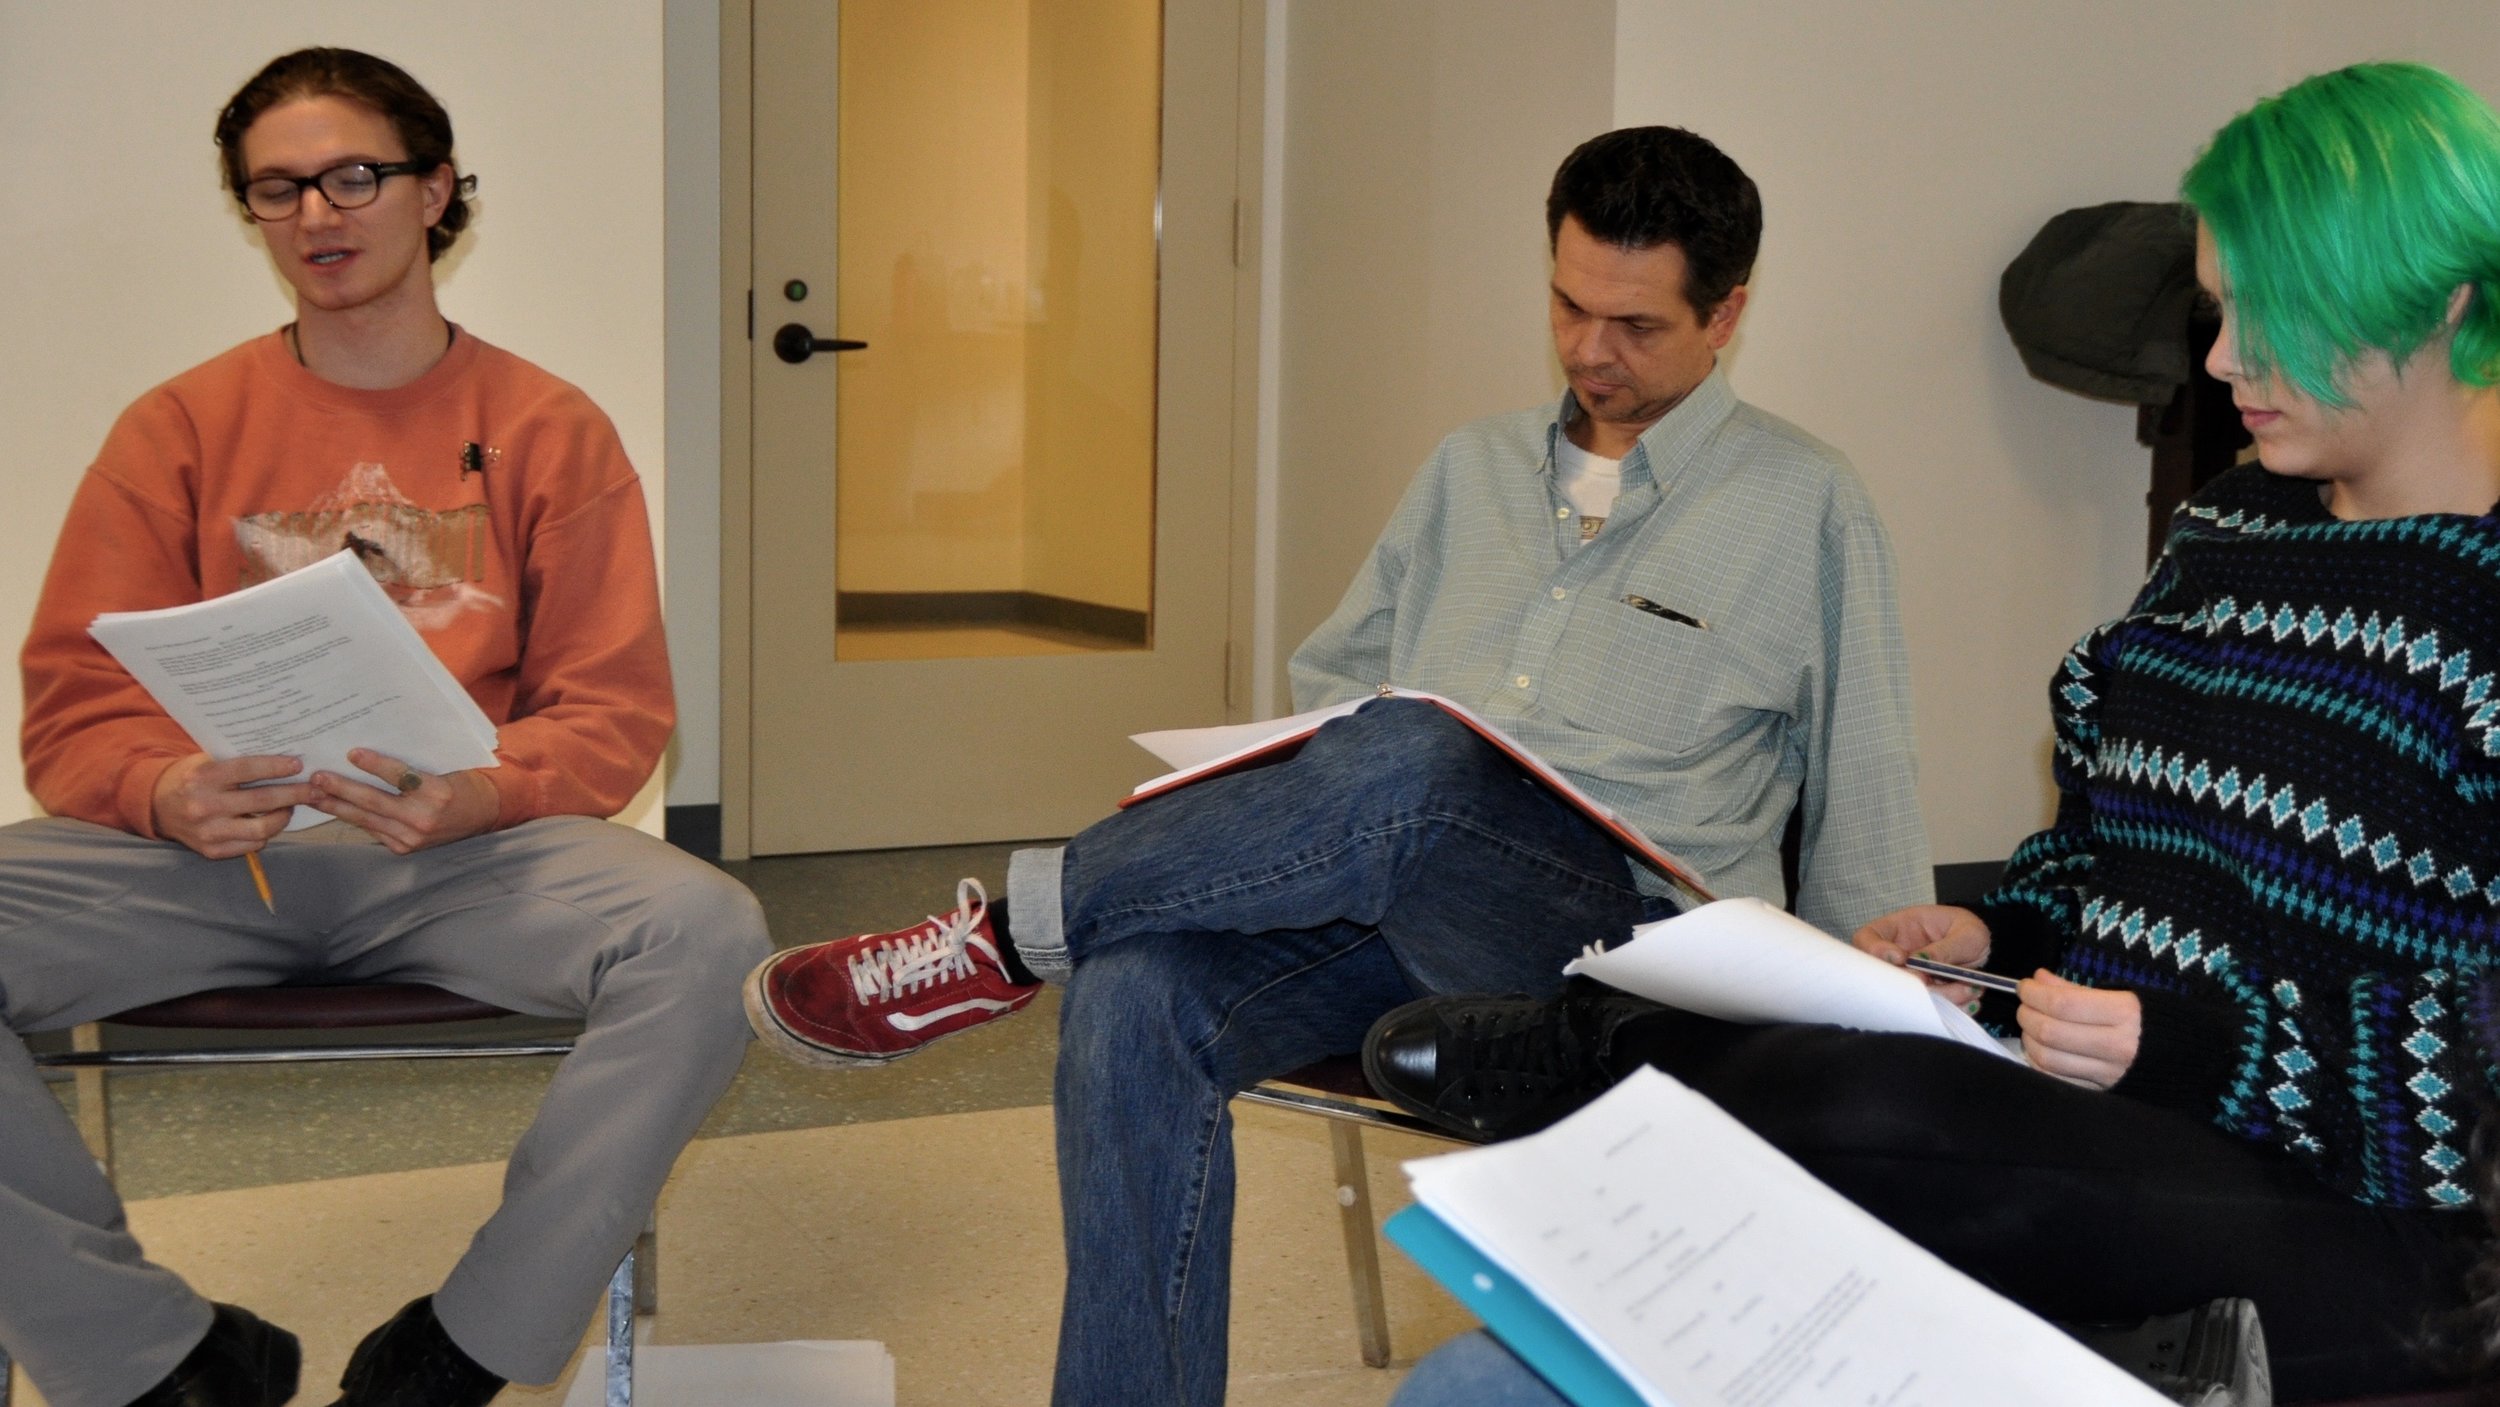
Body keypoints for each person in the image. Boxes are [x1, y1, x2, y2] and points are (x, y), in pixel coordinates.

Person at [746, 125, 1932, 1406]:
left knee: (1423, 758)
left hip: (1625, 949)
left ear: (1727, 315)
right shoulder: (1466, 470)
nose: (1591, 350)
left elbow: (1863, 776)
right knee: (1135, 993)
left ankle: (1005, 938)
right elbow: (1331, 706)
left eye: (1635, 326)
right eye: (1567, 303)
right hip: (1391, 912)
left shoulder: (1807, 502)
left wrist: (1872, 1049)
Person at [1371, 61, 2500, 1406]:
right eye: (2221, 307)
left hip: (2377, 1212)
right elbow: (2112, 849)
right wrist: (2002, 936)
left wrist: (2200, 1046)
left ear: (2443, 301)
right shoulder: (2230, 532)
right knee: (1750, 1019)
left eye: (2277, 316)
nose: (2221, 359)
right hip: (2113, 1125)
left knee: (1881, 1115)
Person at [0, 48, 769, 1407]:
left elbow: (614, 710)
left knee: (707, 932)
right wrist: (160, 783)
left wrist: (486, 788)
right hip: (205, 855)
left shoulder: (549, 427)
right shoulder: (175, 426)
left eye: (355, 175)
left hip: (457, 854)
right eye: (277, 189)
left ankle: (469, 1339)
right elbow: (71, 702)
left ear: (438, 192)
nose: (317, 214)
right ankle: (155, 1356)